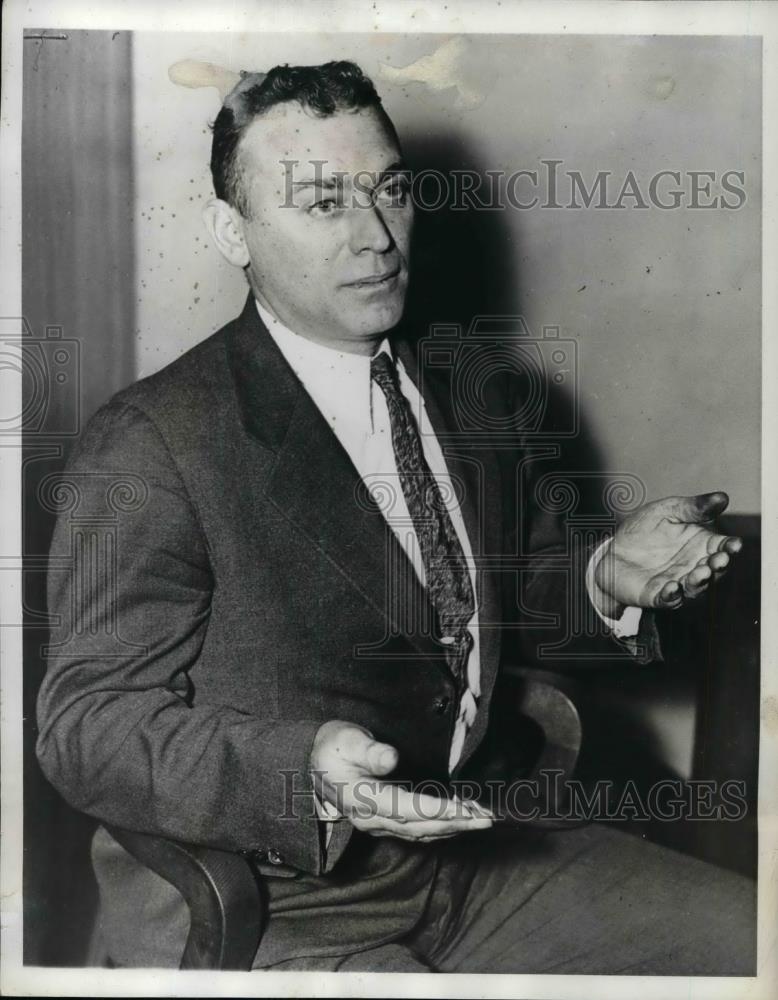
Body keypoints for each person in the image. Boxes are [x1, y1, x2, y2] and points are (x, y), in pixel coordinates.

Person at [36, 61, 754, 974]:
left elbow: (475, 603)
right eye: (324, 202)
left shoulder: (476, 397)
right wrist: (306, 771)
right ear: (233, 232)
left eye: (391, 191)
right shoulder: (152, 440)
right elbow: (86, 725)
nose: (376, 237)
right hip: (273, 901)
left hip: (482, 857)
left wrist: (604, 575)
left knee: (749, 944)